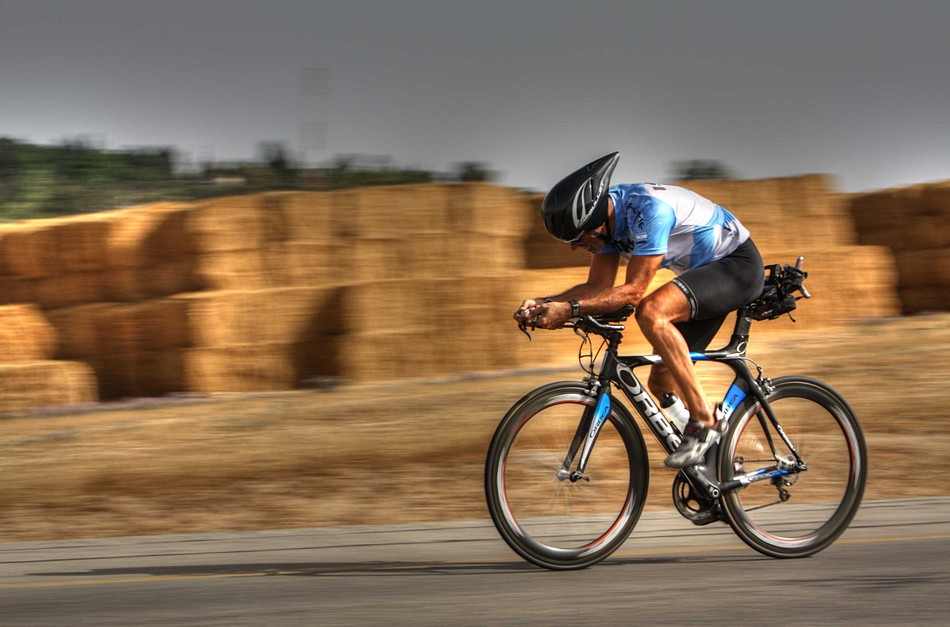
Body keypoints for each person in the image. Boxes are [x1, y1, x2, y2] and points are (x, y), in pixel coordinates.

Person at [514, 152, 764, 468]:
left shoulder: (648, 210)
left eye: (578, 238)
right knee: (660, 381)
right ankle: (713, 461)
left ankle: (706, 421)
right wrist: (546, 303)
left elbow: (633, 293)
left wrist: (570, 309)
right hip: (706, 277)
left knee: (651, 311)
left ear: (598, 222)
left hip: (736, 267)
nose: (575, 247)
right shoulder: (606, 223)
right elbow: (597, 288)